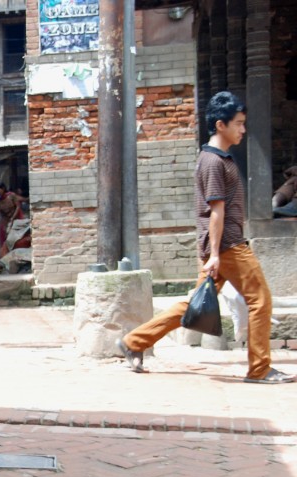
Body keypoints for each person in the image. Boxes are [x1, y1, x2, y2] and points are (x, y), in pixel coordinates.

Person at [118, 91, 293, 384]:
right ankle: (260, 369)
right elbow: (215, 211)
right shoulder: (213, 162)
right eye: (239, 123)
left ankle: (134, 341)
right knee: (260, 300)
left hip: (221, 247)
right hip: (228, 246)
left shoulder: (217, 158)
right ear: (221, 125)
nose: (243, 129)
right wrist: (213, 254)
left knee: (194, 304)